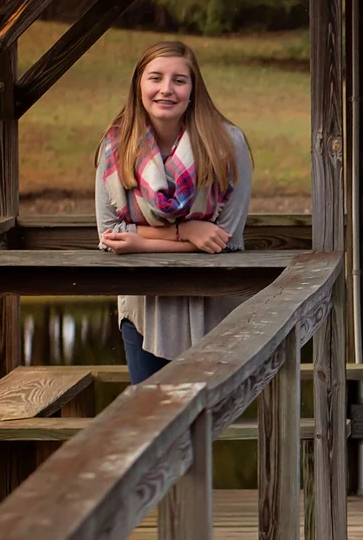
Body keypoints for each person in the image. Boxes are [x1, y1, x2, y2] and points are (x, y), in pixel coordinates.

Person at [96, 41, 253, 384]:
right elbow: (110, 234)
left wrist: (141, 242)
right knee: (148, 412)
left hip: (215, 309)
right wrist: (187, 232)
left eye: (179, 80)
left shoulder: (228, 144)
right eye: (155, 78)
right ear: (139, 85)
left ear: (193, 89)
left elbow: (226, 239)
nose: (166, 89)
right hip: (144, 310)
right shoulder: (115, 146)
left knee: (209, 414)